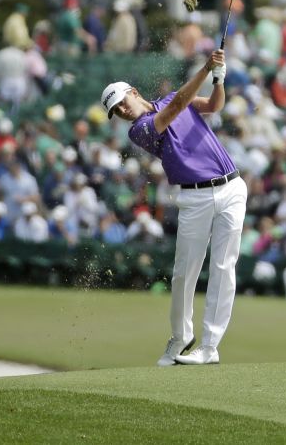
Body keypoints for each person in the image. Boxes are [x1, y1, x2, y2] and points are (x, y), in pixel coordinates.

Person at [101, 49, 244, 366]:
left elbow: (212, 105)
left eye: (123, 102)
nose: (123, 110)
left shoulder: (169, 101)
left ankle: (210, 346)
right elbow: (179, 104)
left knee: (223, 268)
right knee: (184, 273)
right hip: (194, 197)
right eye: (116, 110)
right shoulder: (139, 130)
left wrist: (218, 80)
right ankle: (180, 338)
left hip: (232, 187)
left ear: (134, 93)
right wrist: (207, 68)